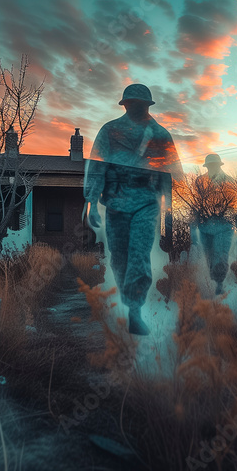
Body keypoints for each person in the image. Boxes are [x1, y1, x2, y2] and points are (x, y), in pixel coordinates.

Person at [84, 84, 183, 335]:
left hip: (147, 202)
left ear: (147, 105)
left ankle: (135, 310)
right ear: (125, 104)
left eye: (139, 103)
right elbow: (97, 168)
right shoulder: (110, 130)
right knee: (119, 258)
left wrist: (169, 207)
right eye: (131, 102)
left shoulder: (160, 134)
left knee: (139, 254)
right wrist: (91, 203)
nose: (135, 106)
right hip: (116, 203)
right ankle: (130, 302)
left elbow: (173, 173)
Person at [190, 154, 237, 295]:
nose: (212, 168)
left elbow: (235, 207)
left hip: (224, 226)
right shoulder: (199, 181)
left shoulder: (230, 182)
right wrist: (192, 227)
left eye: (214, 165)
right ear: (207, 167)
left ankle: (219, 286)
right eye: (210, 165)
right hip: (205, 226)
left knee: (221, 256)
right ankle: (213, 286)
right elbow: (196, 205)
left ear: (219, 165)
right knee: (209, 257)